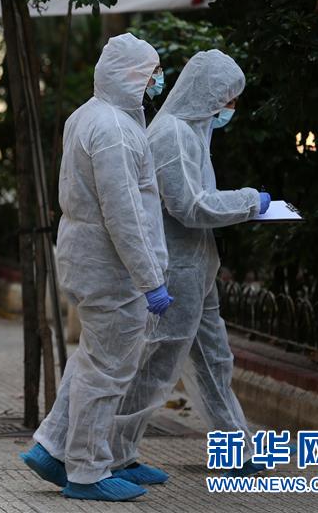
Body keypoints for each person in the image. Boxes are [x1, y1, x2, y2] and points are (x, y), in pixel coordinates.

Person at [20, 33, 172, 502]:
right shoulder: (114, 131)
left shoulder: (88, 116)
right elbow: (124, 214)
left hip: (89, 258)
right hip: (112, 267)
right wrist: (151, 281)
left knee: (91, 360)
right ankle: (87, 470)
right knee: (107, 370)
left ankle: (52, 447)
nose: (156, 82)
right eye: (151, 74)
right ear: (129, 75)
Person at [108, 50, 271, 479]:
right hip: (176, 272)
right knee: (158, 365)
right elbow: (190, 206)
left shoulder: (194, 132)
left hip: (198, 269)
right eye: (228, 97)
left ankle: (237, 449)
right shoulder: (172, 134)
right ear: (209, 92)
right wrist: (250, 202)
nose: (230, 108)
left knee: (215, 360)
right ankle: (113, 453)